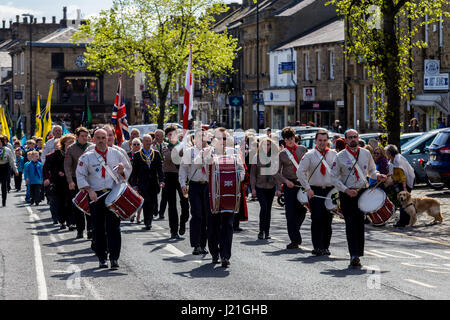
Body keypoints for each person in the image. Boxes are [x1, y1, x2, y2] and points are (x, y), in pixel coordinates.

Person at [76, 128, 132, 269]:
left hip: (113, 195)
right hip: (96, 196)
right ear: (93, 139)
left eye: (103, 137)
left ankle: (114, 258)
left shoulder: (117, 154)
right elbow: (80, 175)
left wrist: (122, 171)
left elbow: (128, 169)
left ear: (108, 138)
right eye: (98, 138)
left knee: (114, 227)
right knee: (98, 228)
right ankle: (102, 258)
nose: (101, 140)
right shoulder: (87, 157)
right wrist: (89, 190)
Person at [330, 129, 386, 268]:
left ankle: (358, 254)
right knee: (350, 223)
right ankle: (353, 255)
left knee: (360, 223)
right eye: (350, 137)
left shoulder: (366, 153)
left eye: (355, 137)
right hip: (347, 193)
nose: (353, 139)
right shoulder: (340, 156)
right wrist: (346, 190)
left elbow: (372, 171)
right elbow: (333, 177)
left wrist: (378, 175)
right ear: (346, 140)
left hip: (362, 192)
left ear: (358, 138)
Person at [206, 127, 245, 267]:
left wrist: (236, 179)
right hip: (212, 193)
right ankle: (214, 253)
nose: (222, 141)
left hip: (229, 193)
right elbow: (201, 167)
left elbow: (241, 170)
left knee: (228, 225)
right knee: (212, 227)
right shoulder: (208, 152)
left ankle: (225, 256)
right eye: (220, 138)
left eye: (225, 138)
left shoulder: (234, 154)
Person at [298, 130, 337, 256]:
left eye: (325, 140)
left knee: (328, 219)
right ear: (316, 140)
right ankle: (317, 246)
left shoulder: (334, 154)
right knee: (317, 218)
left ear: (328, 141)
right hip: (315, 190)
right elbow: (300, 172)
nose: (322, 143)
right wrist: (308, 188)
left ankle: (325, 246)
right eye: (320, 140)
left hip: (330, 190)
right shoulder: (310, 155)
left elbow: (339, 172)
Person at [274, 127, 308, 249]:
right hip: (290, 184)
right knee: (290, 213)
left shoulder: (303, 150)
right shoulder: (282, 154)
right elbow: (276, 172)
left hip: (302, 183)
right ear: (284, 140)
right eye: (287, 139)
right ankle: (295, 239)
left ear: (295, 138)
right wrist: (285, 181)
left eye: (292, 138)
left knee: (302, 210)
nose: (290, 141)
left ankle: (295, 229)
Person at [179, 129, 210, 257]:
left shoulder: (212, 151)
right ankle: (196, 244)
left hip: (208, 186)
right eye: (200, 136)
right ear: (195, 138)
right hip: (195, 185)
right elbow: (183, 169)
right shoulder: (189, 152)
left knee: (206, 216)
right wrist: (182, 184)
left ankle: (203, 244)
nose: (202, 138)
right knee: (197, 214)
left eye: (204, 136)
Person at [129, 134, 165, 231]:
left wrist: (161, 180)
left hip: (154, 183)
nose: (148, 143)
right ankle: (147, 222)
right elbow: (134, 172)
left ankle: (149, 219)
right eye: (146, 141)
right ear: (142, 143)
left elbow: (159, 170)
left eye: (149, 141)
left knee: (152, 202)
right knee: (146, 202)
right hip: (143, 183)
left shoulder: (156, 154)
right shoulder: (137, 155)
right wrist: (134, 184)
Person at [161, 125, 190, 239]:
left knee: (185, 202)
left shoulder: (185, 145)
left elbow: (187, 157)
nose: (172, 136)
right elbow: (171, 157)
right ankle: (174, 230)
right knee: (172, 204)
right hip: (170, 176)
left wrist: (184, 147)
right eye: (169, 135)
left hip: (182, 177)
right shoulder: (165, 147)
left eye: (174, 134)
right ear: (167, 137)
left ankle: (183, 222)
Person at [65, 127, 93, 237]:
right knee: (78, 205)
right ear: (77, 137)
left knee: (91, 205)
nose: (85, 138)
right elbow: (67, 166)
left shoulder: (92, 147)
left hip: (90, 180)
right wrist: (70, 181)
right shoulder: (71, 149)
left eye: (87, 136)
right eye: (82, 136)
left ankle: (90, 229)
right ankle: (80, 230)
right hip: (76, 180)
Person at [44, 134, 76, 231]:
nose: (72, 144)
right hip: (59, 181)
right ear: (64, 143)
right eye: (70, 142)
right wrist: (57, 172)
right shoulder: (56, 154)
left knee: (71, 202)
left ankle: (71, 222)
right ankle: (62, 221)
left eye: (73, 142)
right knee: (61, 202)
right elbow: (50, 167)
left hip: (72, 180)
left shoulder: (74, 152)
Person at [250, 137, 279, 240]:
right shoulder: (256, 157)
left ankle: (267, 232)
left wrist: (279, 188)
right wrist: (253, 188)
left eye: (268, 145)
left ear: (271, 146)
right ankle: (261, 231)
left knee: (269, 209)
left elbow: (277, 174)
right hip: (260, 186)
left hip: (271, 186)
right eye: (264, 145)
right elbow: (253, 174)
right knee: (264, 208)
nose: (266, 147)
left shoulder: (275, 157)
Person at [385, 144, 415, 228]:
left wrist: (405, 188)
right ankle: (406, 220)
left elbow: (403, 175)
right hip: (400, 181)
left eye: (386, 153)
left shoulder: (398, 160)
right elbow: (392, 173)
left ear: (390, 154)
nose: (385, 154)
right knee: (404, 202)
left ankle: (403, 222)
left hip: (405, 182)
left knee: (404, 202)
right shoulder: (392, 160)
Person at [0, 135, 18, 206]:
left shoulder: (7, 150)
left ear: (2, 142)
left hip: (5, 168)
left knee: (4, 185)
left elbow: (11, 161)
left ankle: (4, 200)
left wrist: (15, 170)